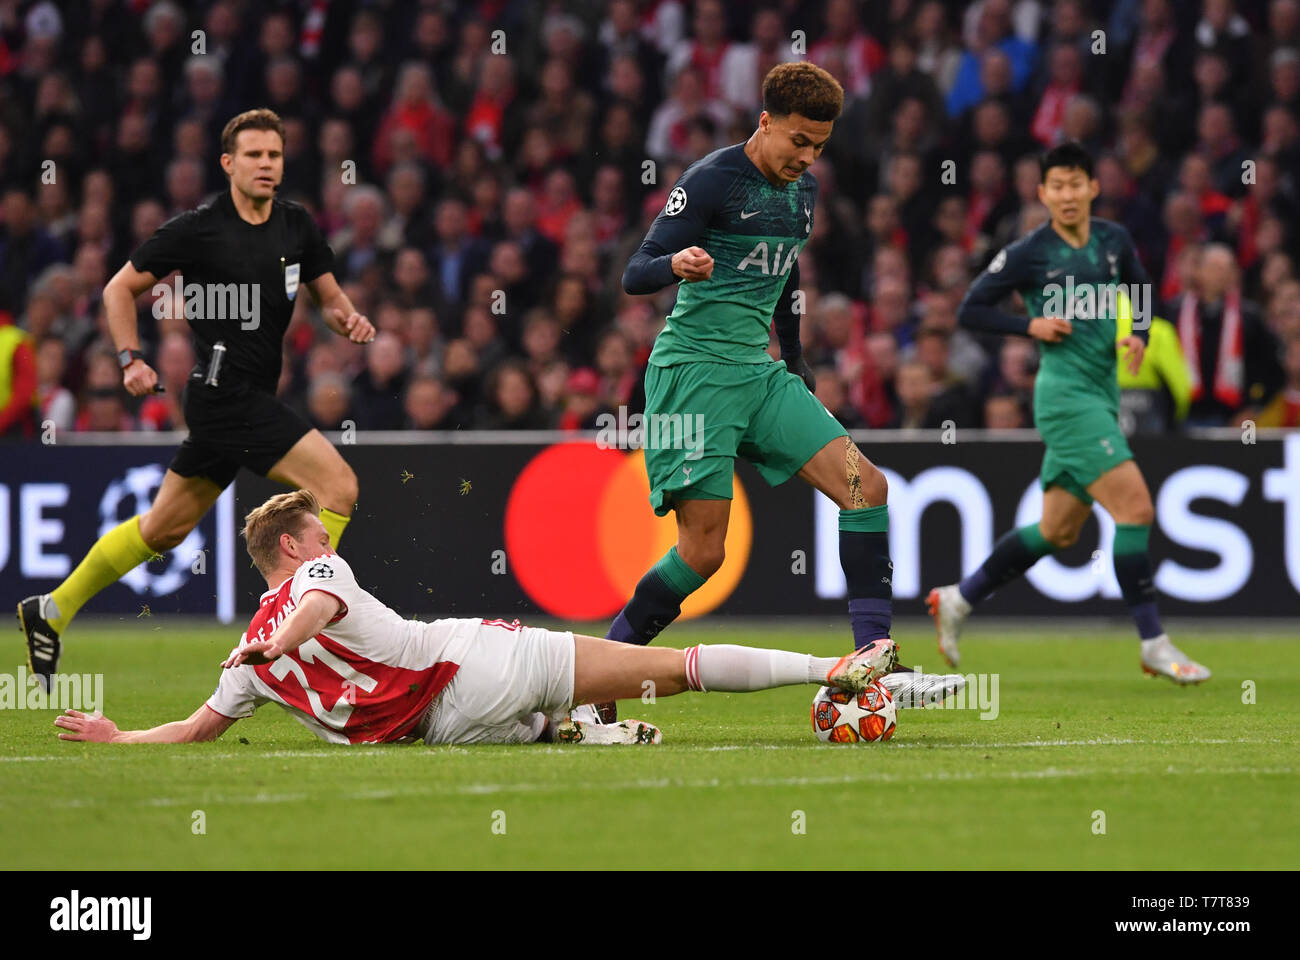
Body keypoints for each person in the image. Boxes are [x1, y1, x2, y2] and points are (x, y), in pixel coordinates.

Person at [592, 62, 930, 724]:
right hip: (693, 375)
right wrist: (675, 264)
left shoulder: (800, 194)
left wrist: (797, 358)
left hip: (759, 371)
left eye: (820, 148)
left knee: (868, 487)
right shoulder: (713, 180)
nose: (806, 158)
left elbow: (787, 268)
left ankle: (874, 657)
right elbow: (635, 273)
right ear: (766, 121)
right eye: (799, 142)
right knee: (704, 550)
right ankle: (604, 669)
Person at [52, 490, 908, 748]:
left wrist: (118, 739)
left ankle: (565, 734)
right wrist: (286, 632)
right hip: (473, 665)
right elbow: (312, 606)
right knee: (669, 670)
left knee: (541, 724)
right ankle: (830, 670)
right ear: (292, 542)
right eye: (317, 529)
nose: (330, 536)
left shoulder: (245, 659)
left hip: (435, 732)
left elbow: (199, 730)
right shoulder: (316, 573)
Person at [19, 108, 375, 692]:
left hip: (244, 397)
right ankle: (308, 624)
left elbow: (331, 300)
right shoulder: (201, 228)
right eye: (254, 155)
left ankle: (52, 609)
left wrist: (350, 320)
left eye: (275, 155)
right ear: (228, 163)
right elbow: (119, 289)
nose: (266, 164)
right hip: (222, 393)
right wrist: (131, 358)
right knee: (339, 486)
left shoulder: (296, 227)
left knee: (163, 530)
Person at [931, 142, 1210, 685]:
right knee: (1135, 510)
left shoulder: (1114, 240)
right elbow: (972, 308)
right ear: (1042, 193)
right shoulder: (1031, 252)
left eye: (1074, 184)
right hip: (1064, 399)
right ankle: (1154, 642)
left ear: (1092, 187)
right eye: (1055, 186)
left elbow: (1141, 289)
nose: (1066, 194)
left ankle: (958, 599)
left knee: (1057, 532)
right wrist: (1028, 326)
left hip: (1101, 392)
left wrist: (1139, 333)